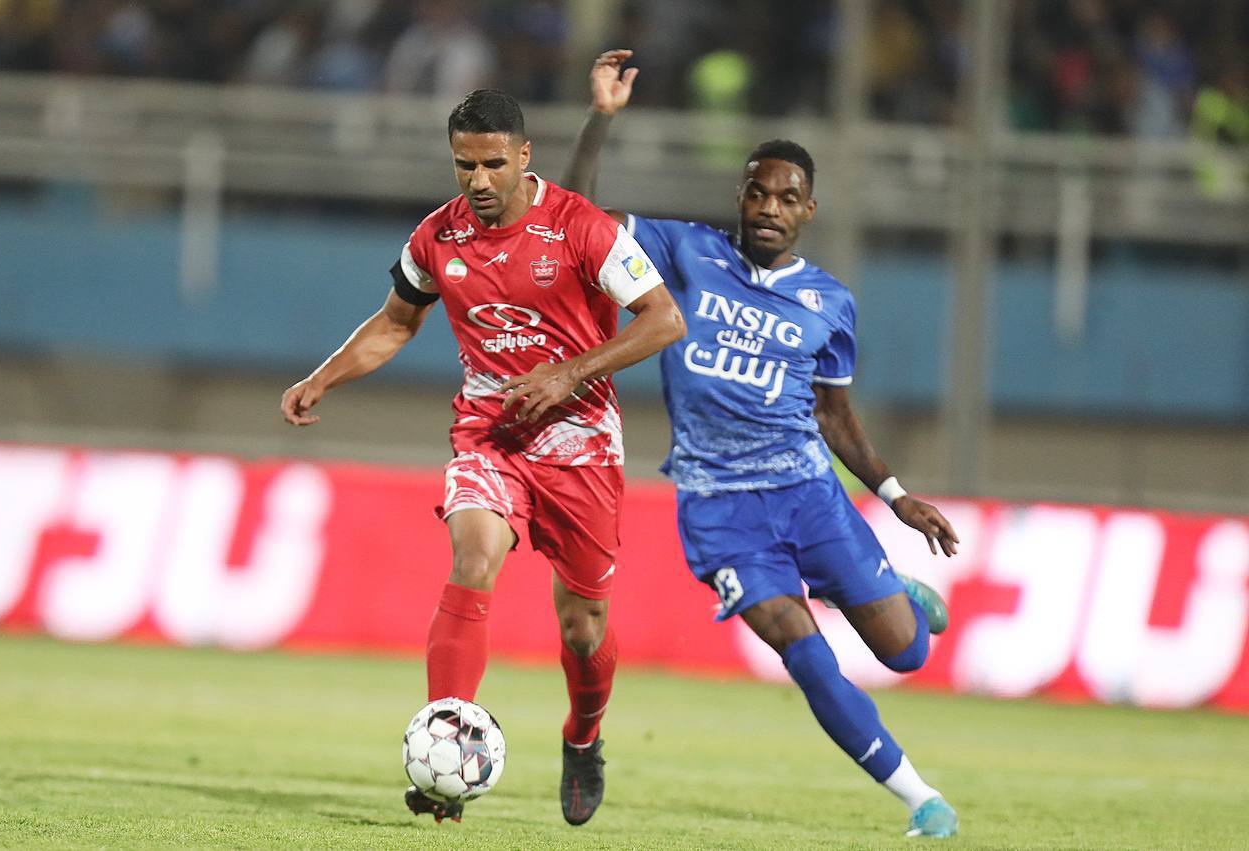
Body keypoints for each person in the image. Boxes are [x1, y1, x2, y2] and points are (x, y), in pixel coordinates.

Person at [562, 50, 961, 839]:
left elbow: (835, 415)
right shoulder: (686, 254)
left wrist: (895, 497)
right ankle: (922, 797)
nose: (769, 207)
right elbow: (578, 218)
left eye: (786, 197)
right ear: (739, 197)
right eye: (757, 191)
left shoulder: (829, 303)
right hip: (720, 513)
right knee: (804, 653)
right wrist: (601, 119)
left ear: (808, 210)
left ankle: (893, 595)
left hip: (810, 495)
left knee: (906, 653)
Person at [281, 87, 684, 826]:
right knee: (471, 559)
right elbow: (395, 323)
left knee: (583, 627)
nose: (478, 180)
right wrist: (323, 376)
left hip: (580, 442)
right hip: (489, 430)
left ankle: (583, 735)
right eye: (465, 165)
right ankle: (447, 753)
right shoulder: (437, 237)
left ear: (524, 157)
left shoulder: (581, 227)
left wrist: (569, 372)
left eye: (493, 164)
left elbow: (664, 320)